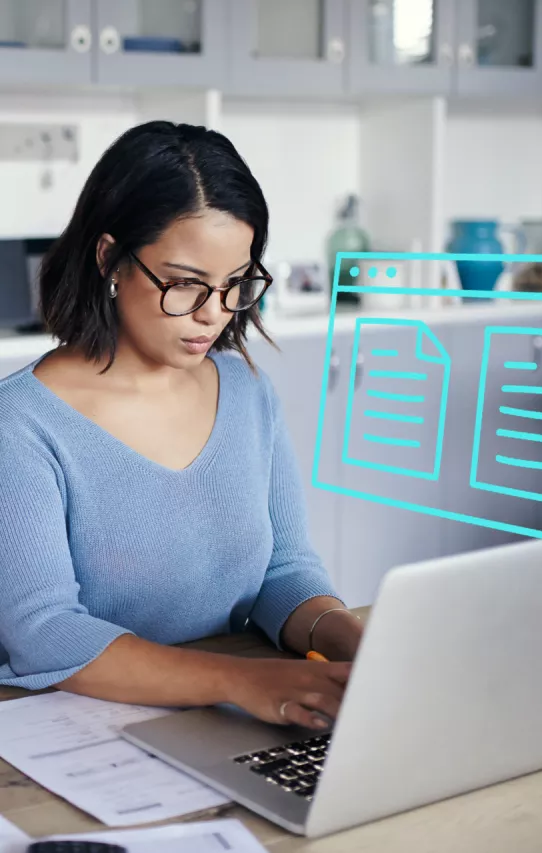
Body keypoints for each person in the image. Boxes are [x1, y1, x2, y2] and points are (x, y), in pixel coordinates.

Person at [0, 121, 363, 731]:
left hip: (231, 717)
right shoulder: (21, 423)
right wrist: (241, 680)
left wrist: (355, 642)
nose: (213, 315)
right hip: (77, 729)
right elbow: (45, 633)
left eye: (233, 286)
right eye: (187, 284)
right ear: (110, 258)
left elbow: (284, 572)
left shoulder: (246, 392)